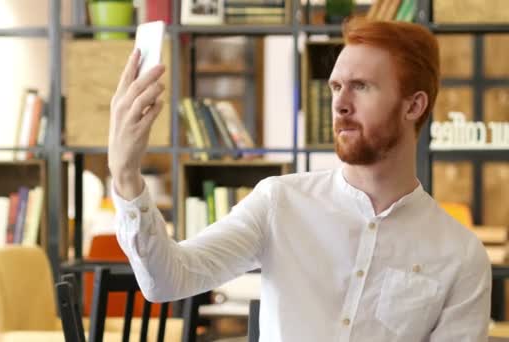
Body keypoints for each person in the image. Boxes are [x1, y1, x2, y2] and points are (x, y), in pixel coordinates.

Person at [107, 18, 491, 342]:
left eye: (361, 86)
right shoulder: (280, 202)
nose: (340, 103)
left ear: (414, 105)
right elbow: (167, 282)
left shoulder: (459, 256)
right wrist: (126, 176)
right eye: (336, 86)